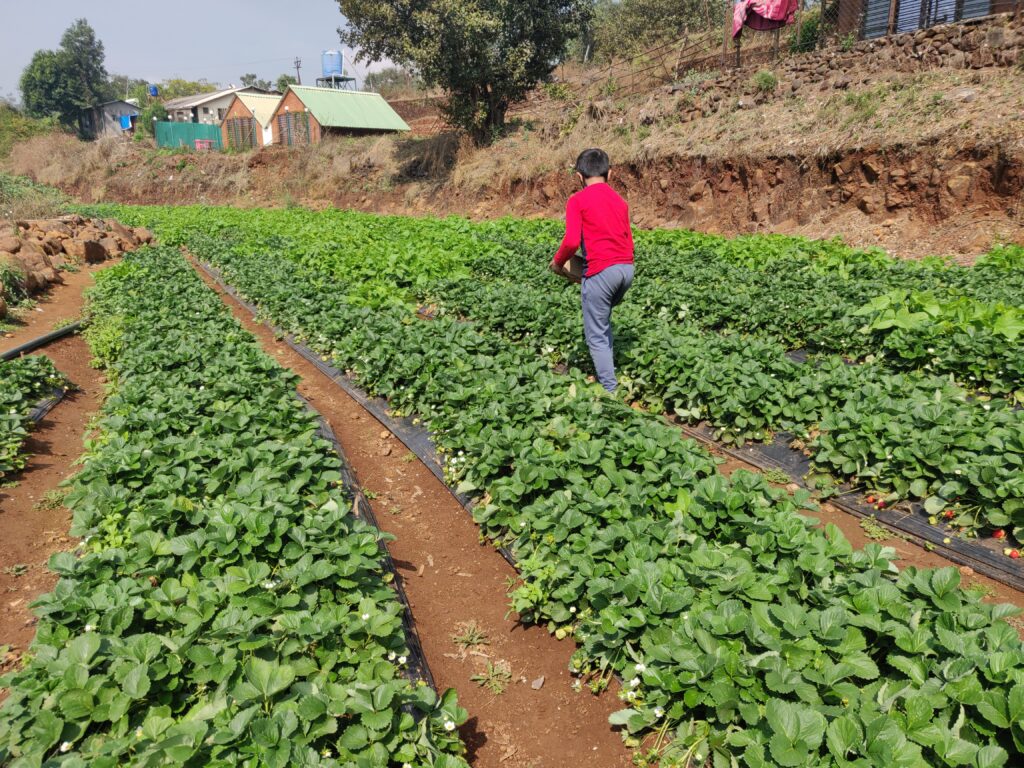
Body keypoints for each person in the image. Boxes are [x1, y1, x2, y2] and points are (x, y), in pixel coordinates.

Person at [550, 148, 635, 393]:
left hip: (602, 272)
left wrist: (558, 263)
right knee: (603, 321)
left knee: (596, 334)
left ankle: (609, 391)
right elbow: (628, 239)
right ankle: (605, 375)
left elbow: (570, 242)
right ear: (610, 173)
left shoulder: (578, 200)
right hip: (626, 270)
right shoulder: (620, 201)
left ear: (579, 177)